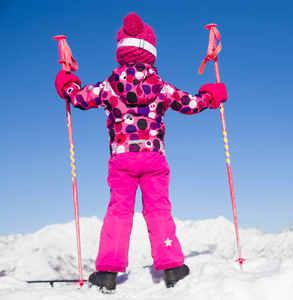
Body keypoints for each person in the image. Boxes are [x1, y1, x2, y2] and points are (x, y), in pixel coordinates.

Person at [54, 12, 227, 293]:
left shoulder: (110, 87)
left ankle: (108, 272)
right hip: (154, 157)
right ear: (151, 52)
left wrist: (68, 84)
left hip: (121, 158)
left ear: (121, 52)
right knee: (158, 208)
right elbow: (191, 104)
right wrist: (211, 96)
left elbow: (79, 99)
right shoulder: (162, 88)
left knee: (119, 211)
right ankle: (171, 267)